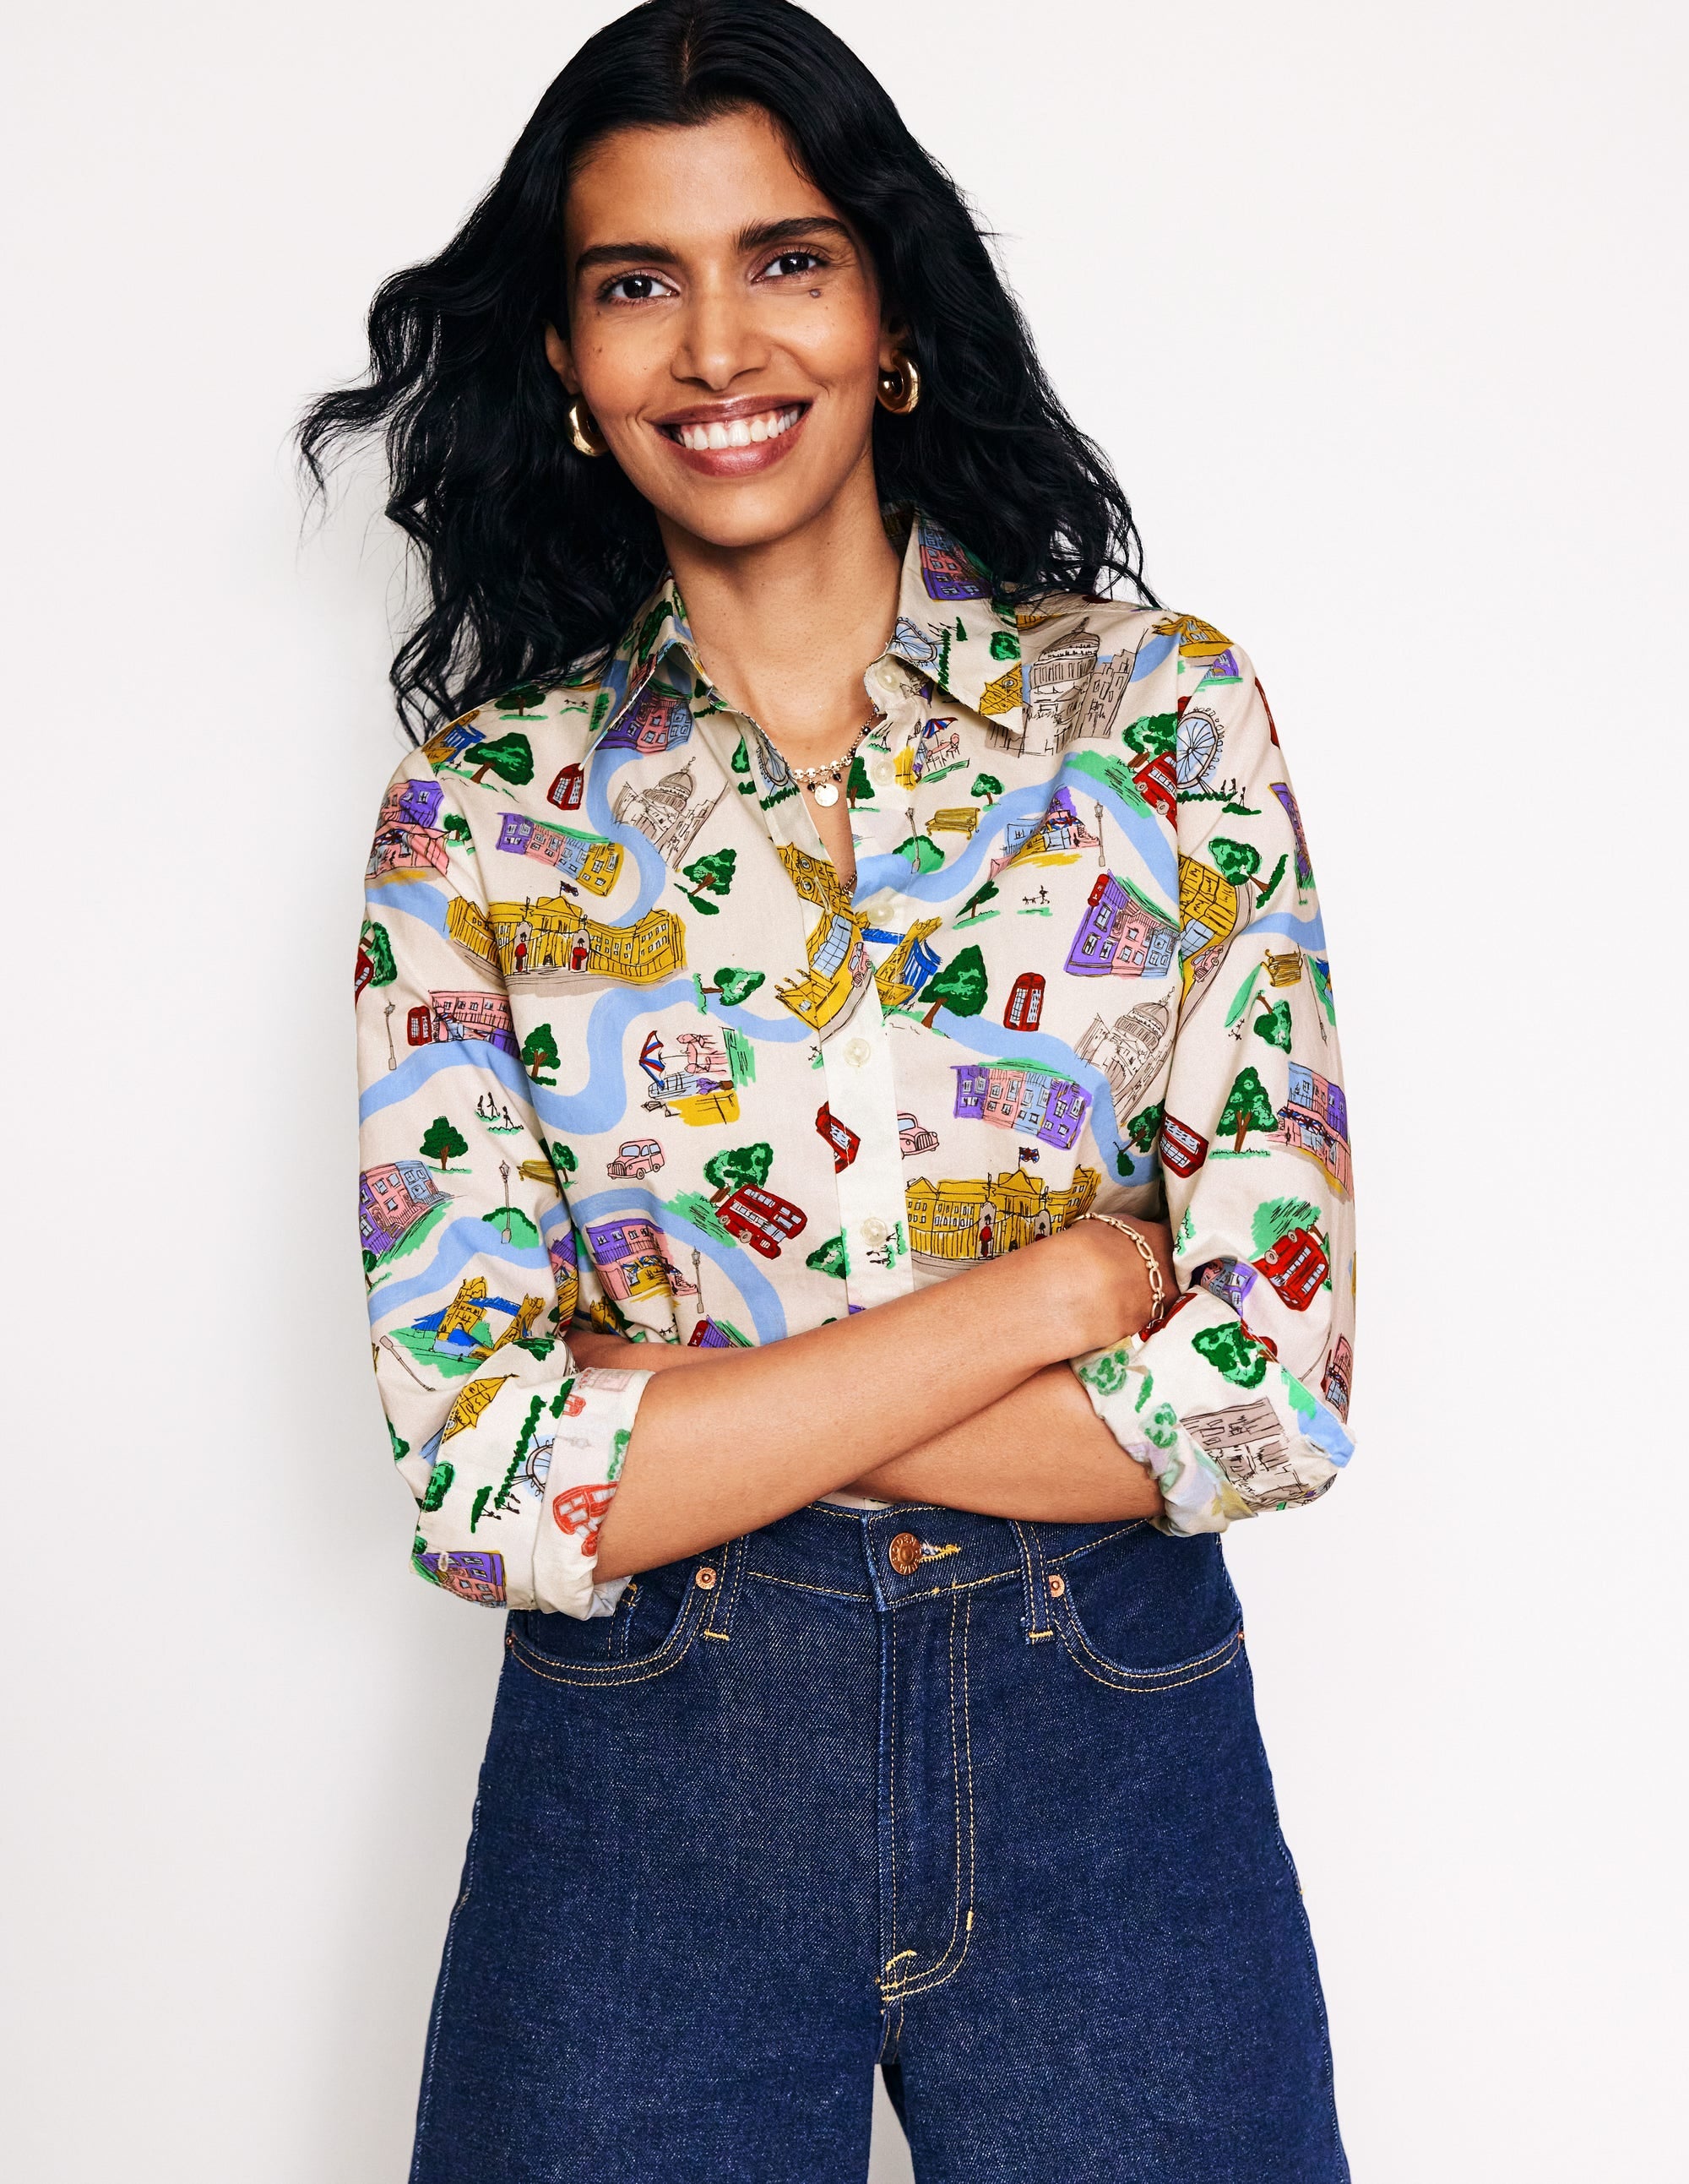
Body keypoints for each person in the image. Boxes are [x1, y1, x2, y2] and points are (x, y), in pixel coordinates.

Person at [308, 3, 1356, 2176]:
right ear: (568, 376)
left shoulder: (1161, 723)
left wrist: (673, 1402)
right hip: (646, 1779)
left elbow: (1266, 1391)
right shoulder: (485, 820)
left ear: (888, 313)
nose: (714, 346)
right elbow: (486, 1481)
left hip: (1113, 1750)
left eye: (783, 259)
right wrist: (1062, 1292)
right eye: (633, 283)